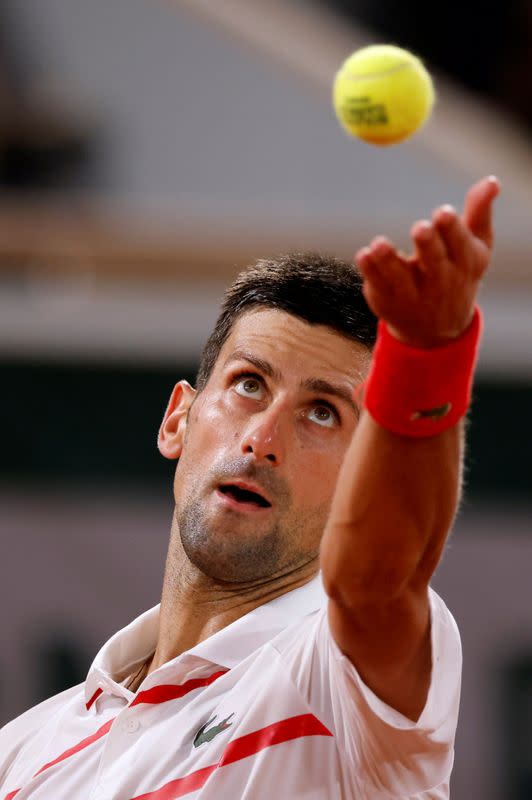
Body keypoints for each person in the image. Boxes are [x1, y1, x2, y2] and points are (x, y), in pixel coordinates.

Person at [0, 175, 499, 799]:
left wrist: (429, 360)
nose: (263, 439)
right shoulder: (23, 751)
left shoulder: (337, 683)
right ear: (177, 419)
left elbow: (380, 577)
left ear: (359, 481)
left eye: (323, 412)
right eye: (249, 385)